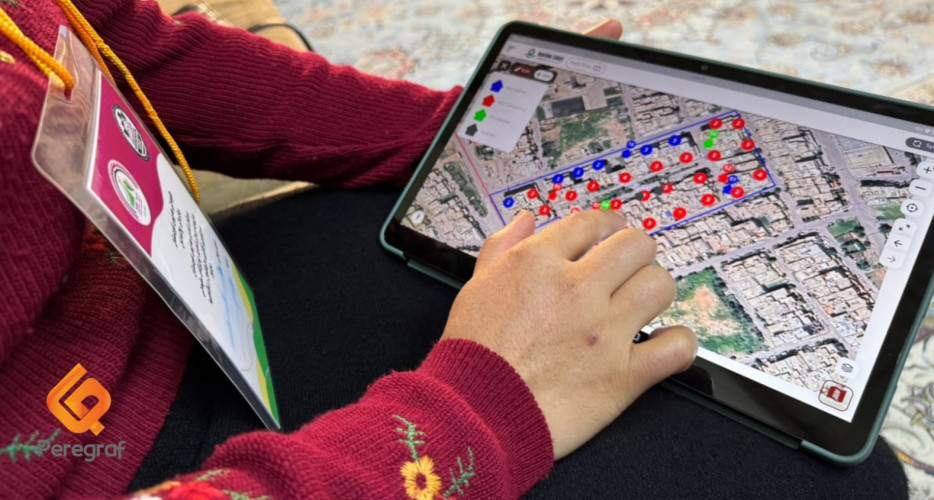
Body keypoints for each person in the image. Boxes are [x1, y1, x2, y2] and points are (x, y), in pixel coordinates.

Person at [0, 1, 909, 499]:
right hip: (122, 468)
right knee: (842, 484)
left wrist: (457, 142)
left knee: (441, 232)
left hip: (175, 289)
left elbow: (117, 45)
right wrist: (479, 409)